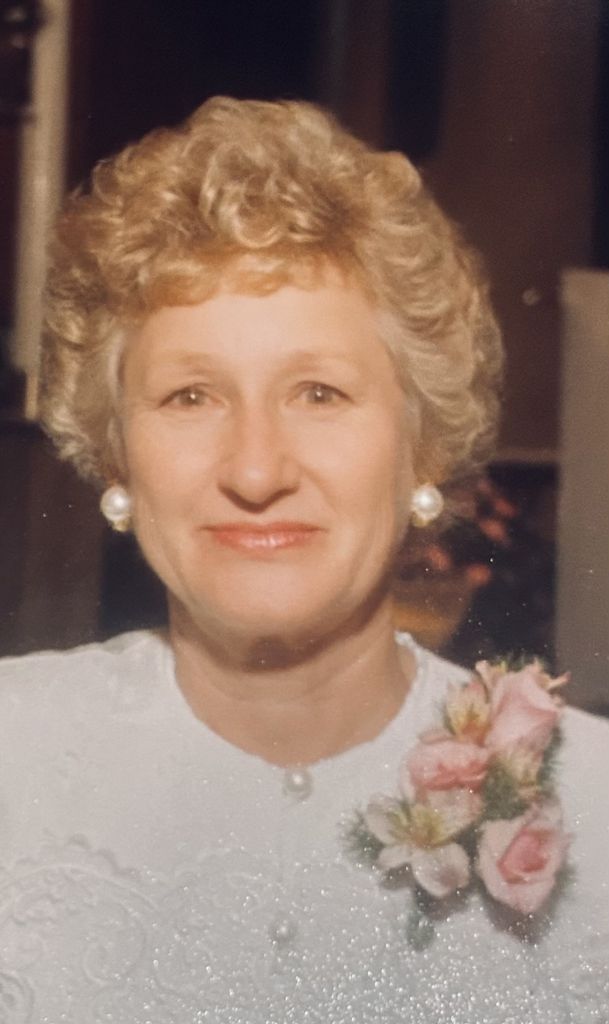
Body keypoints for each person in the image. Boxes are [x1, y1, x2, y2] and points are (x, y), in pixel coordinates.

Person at [0, 97, 607, 1023]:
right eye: (190, 395)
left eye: (318, 393)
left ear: (421, 447)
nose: (255, 470)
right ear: (117, 455)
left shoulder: (591, 802)